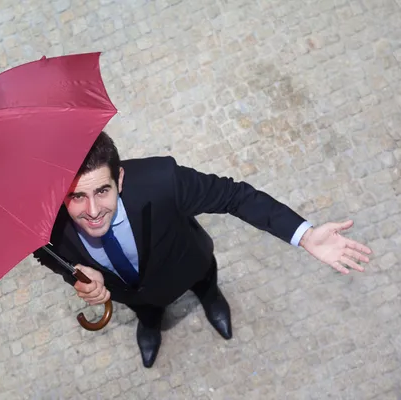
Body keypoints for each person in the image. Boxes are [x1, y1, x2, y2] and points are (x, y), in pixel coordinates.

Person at [32, 132, 372, 368]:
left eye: (102, 191)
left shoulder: (162, 180)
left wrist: (305, 235)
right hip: (130, 293)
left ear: (120, 179)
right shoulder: (45, 220)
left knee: (206, 284)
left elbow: (234, 196)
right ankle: (150, 323)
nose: (92, 211)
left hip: (188, 264)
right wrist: (75, 273)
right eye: (77, 196)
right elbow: (44, 252)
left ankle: (211, 299)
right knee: (147, 311)